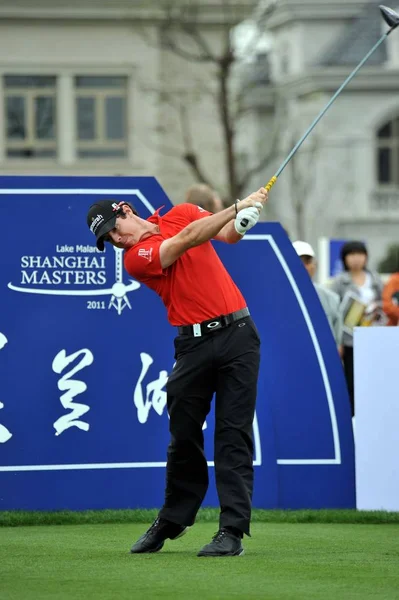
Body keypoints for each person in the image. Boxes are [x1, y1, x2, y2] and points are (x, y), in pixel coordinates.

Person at [86, 186, 268, 557]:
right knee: (183, 434)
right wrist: (237, 205)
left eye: (114, 230)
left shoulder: (183, 211)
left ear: (126, 210)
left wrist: (245, 219)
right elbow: (186, 240)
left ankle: (231, 531)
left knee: (233, 435)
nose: (117, 240)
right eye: (109, 240)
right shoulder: (136, 258)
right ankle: (173, 519)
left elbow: (227, 235)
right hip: (192, 347)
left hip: (238, 335)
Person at [330, 241, 383, 416]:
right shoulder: (339, 282)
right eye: (351, 255)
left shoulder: (375, 280)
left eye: (359, 254)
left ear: (366, 257)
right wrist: (337, 341)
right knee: (351, 380)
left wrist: (377, 309)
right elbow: (334, 311)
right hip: (349, 340)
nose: (356, 259)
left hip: (374, 337)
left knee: (374, 378)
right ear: (344, 258)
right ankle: (352, 416)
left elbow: (386, 305)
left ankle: (373, 412)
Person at [292, 240, 342, 351]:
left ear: (315, 265)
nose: (304, 267)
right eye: (298, 261)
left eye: (308, 262)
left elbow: (338, 340)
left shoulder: (331, 298)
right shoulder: (278, 297)